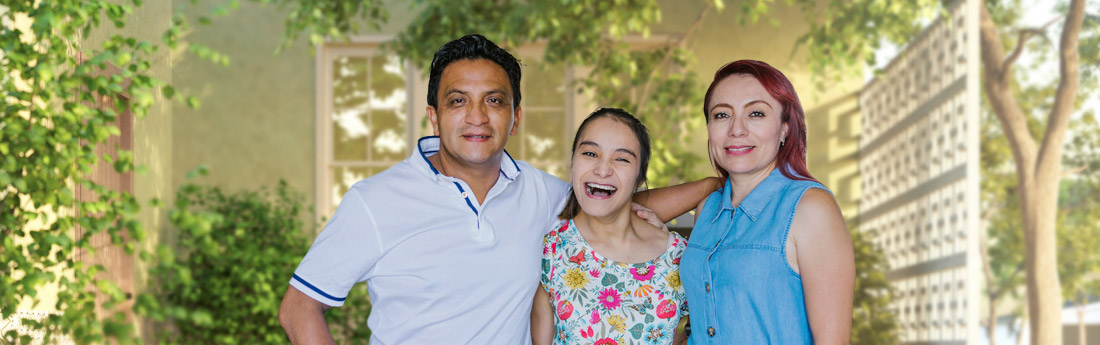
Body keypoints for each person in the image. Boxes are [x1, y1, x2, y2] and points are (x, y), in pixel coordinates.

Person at [277, 34, 719, 345]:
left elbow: (613, 202)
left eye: (494, 100)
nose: (477, 116)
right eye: (458, 101)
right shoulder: (374, 202)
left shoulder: (540, 193)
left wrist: (713, 186)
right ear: (433, 116)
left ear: (515, 116)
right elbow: (298, 309)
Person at [678, 60, 854, 344]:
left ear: (785, 129)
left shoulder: (811, 208)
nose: (737, 129)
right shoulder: (707, 210)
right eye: (722, 115)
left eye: (756, 113)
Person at [531, 108, 689, 345]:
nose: (602, 169)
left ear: (640, 177)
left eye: (622, 158)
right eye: (590, 153)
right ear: (573, 162)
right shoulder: (551, 250)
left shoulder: (678, 255)